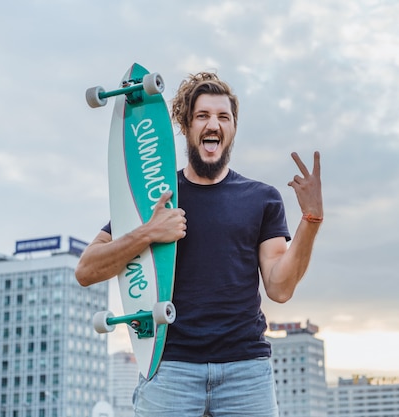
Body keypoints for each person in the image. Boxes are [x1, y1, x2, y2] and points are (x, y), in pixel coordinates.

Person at [75, 71, 323, 416]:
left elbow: (280, 288)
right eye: (202, 115)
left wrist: (310, 221)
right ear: (186, 125)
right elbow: (87, 270)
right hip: (169, 369)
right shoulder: (156, 199)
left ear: (233, 129)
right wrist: (148, 232)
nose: (214, 124)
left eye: (224, 117)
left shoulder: (262, 199)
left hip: (246, 371)